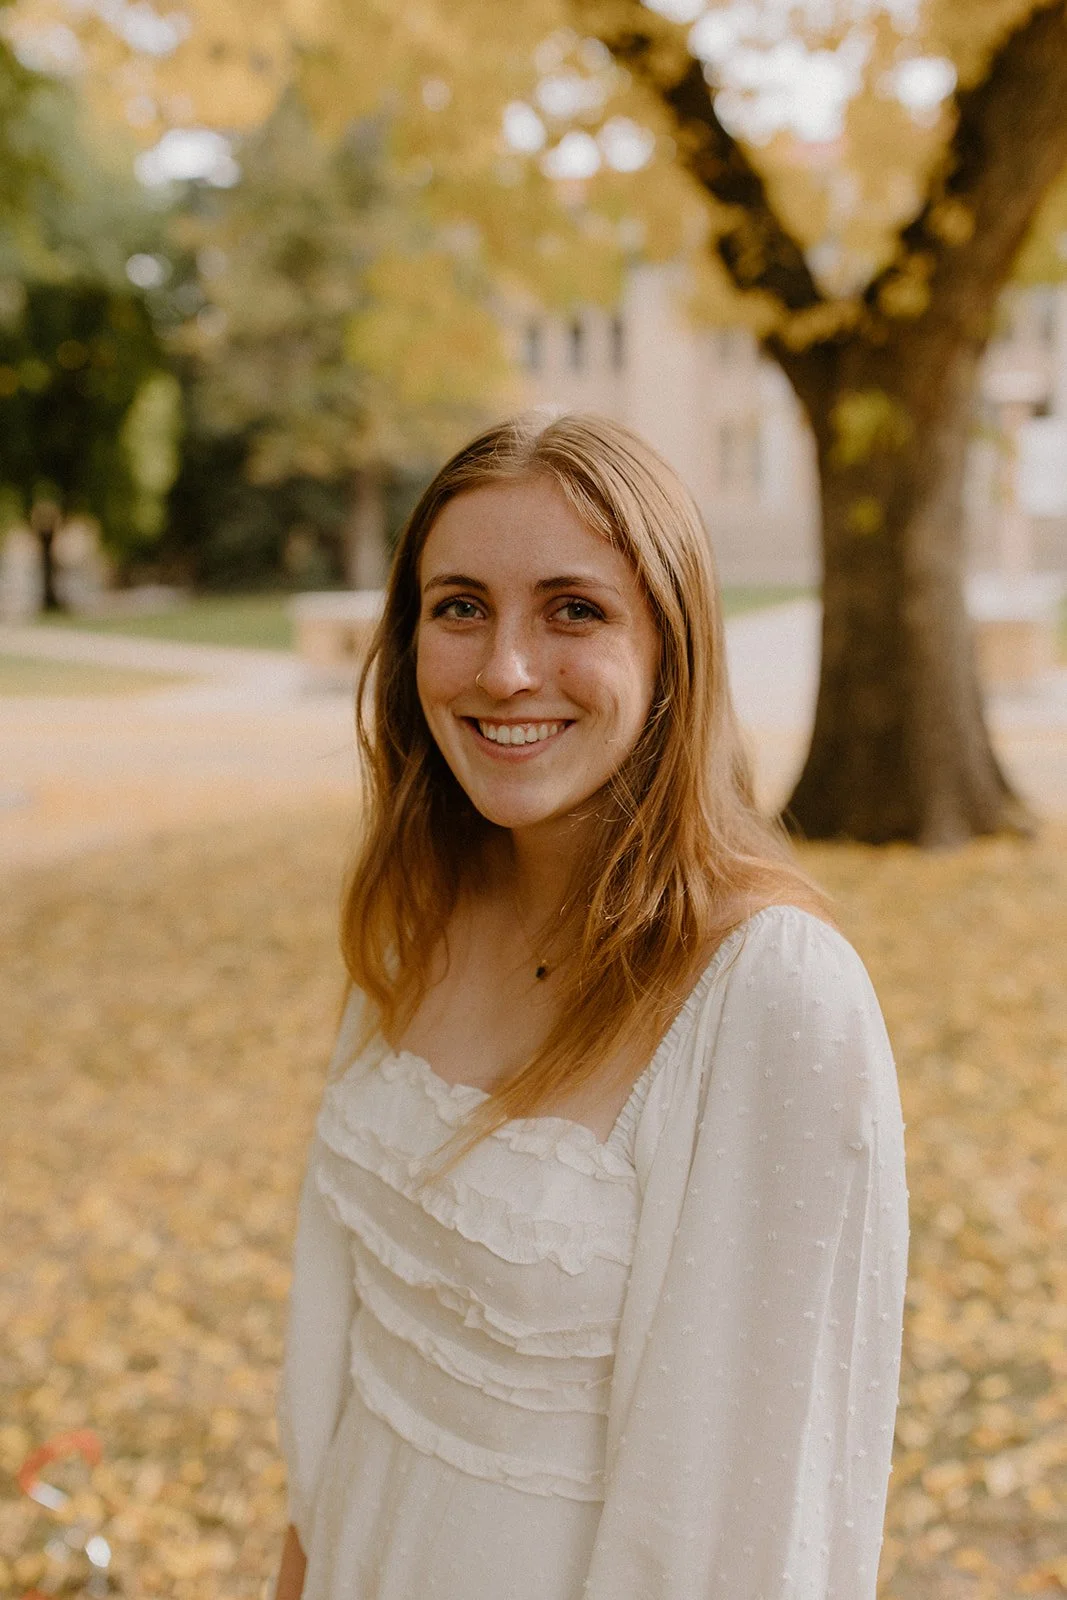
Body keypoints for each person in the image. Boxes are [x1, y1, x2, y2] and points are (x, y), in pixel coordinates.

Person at [274, 412, 908, 1600]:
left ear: (673, 650)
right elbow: (346, 1376)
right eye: (458, 605)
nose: (505, 668)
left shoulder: (767, 993)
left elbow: (753, 1528)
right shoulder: (418, 913)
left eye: (573, 609)